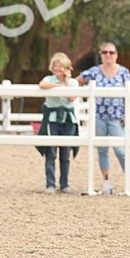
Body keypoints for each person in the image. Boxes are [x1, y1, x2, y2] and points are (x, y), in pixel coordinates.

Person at [77, 43, 130, 196]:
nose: (108, 55)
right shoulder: (94, 71)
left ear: (116, 55)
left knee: (121, 150)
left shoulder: (124, 72)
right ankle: (107, 182)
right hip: (98, 116)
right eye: (105, 52)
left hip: (117, 117)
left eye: (111, 52)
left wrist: (127, 115)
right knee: (102, 150)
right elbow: (77, 81)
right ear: (101, 55)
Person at [40, 52, 80, 194]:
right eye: (56, 65)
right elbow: (42, 84)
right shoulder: (49, 79)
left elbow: (71, 98)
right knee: (51, 153)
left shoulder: (74, 82)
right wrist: (57, 85)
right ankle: (50, 184)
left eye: (61, 66)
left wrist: (67, 81)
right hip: (52, 119)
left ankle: (64, 184)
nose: (58, 68)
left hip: (67, 120)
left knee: (65, 154)